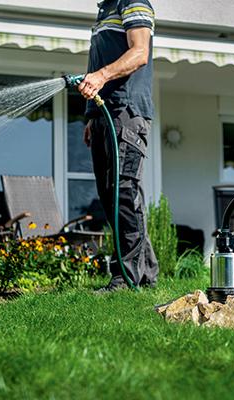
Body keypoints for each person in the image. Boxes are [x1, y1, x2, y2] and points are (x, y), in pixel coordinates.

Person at [78, 0, 158, 292]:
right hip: (103, 114)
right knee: (110, 196)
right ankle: (146, 273)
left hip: (126, 111)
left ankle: (126, 276)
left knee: (124, 192)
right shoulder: (105, 10)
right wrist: (92, 116)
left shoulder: (132, 2)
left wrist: (100, 76)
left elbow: (139, 53)